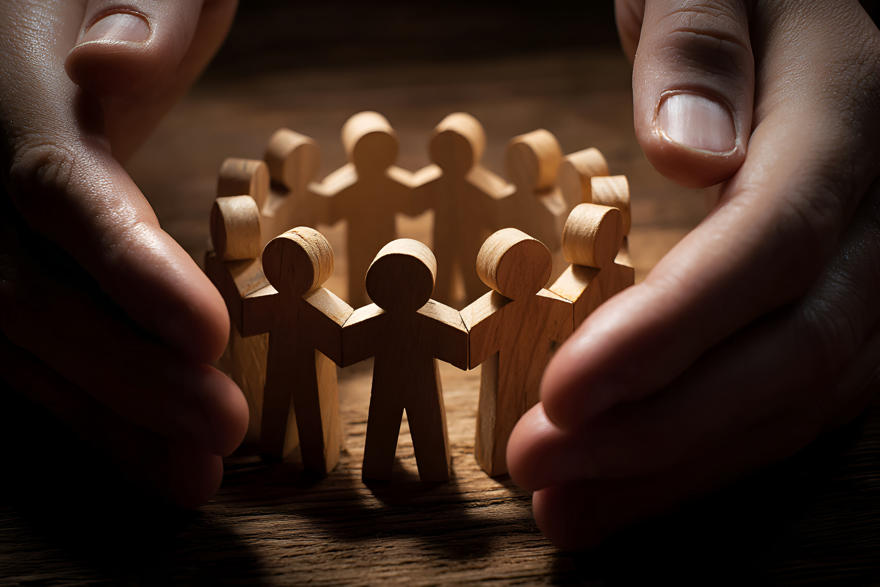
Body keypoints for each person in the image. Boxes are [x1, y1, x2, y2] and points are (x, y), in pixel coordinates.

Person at [0, 0, 876, 546]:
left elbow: (439, 321)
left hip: (480, 354)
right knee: (342, 420)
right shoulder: (321, 284)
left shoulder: (507, 276)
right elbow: (385, 320)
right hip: (351, 358)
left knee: (467, 413)